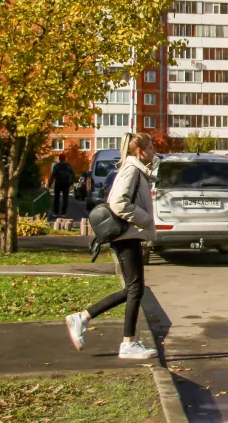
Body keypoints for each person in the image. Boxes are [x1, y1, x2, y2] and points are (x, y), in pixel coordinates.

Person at [65, 132, 157, 359]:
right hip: (126, 235)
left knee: (133, 288)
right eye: (152, 147)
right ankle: (127, 343)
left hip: (128, 235)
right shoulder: (131, 170)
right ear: (139, 151)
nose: (155, 151)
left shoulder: (136, 169)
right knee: (135, 288)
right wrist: (144, 219)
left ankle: (84, 318)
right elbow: (117, 202)